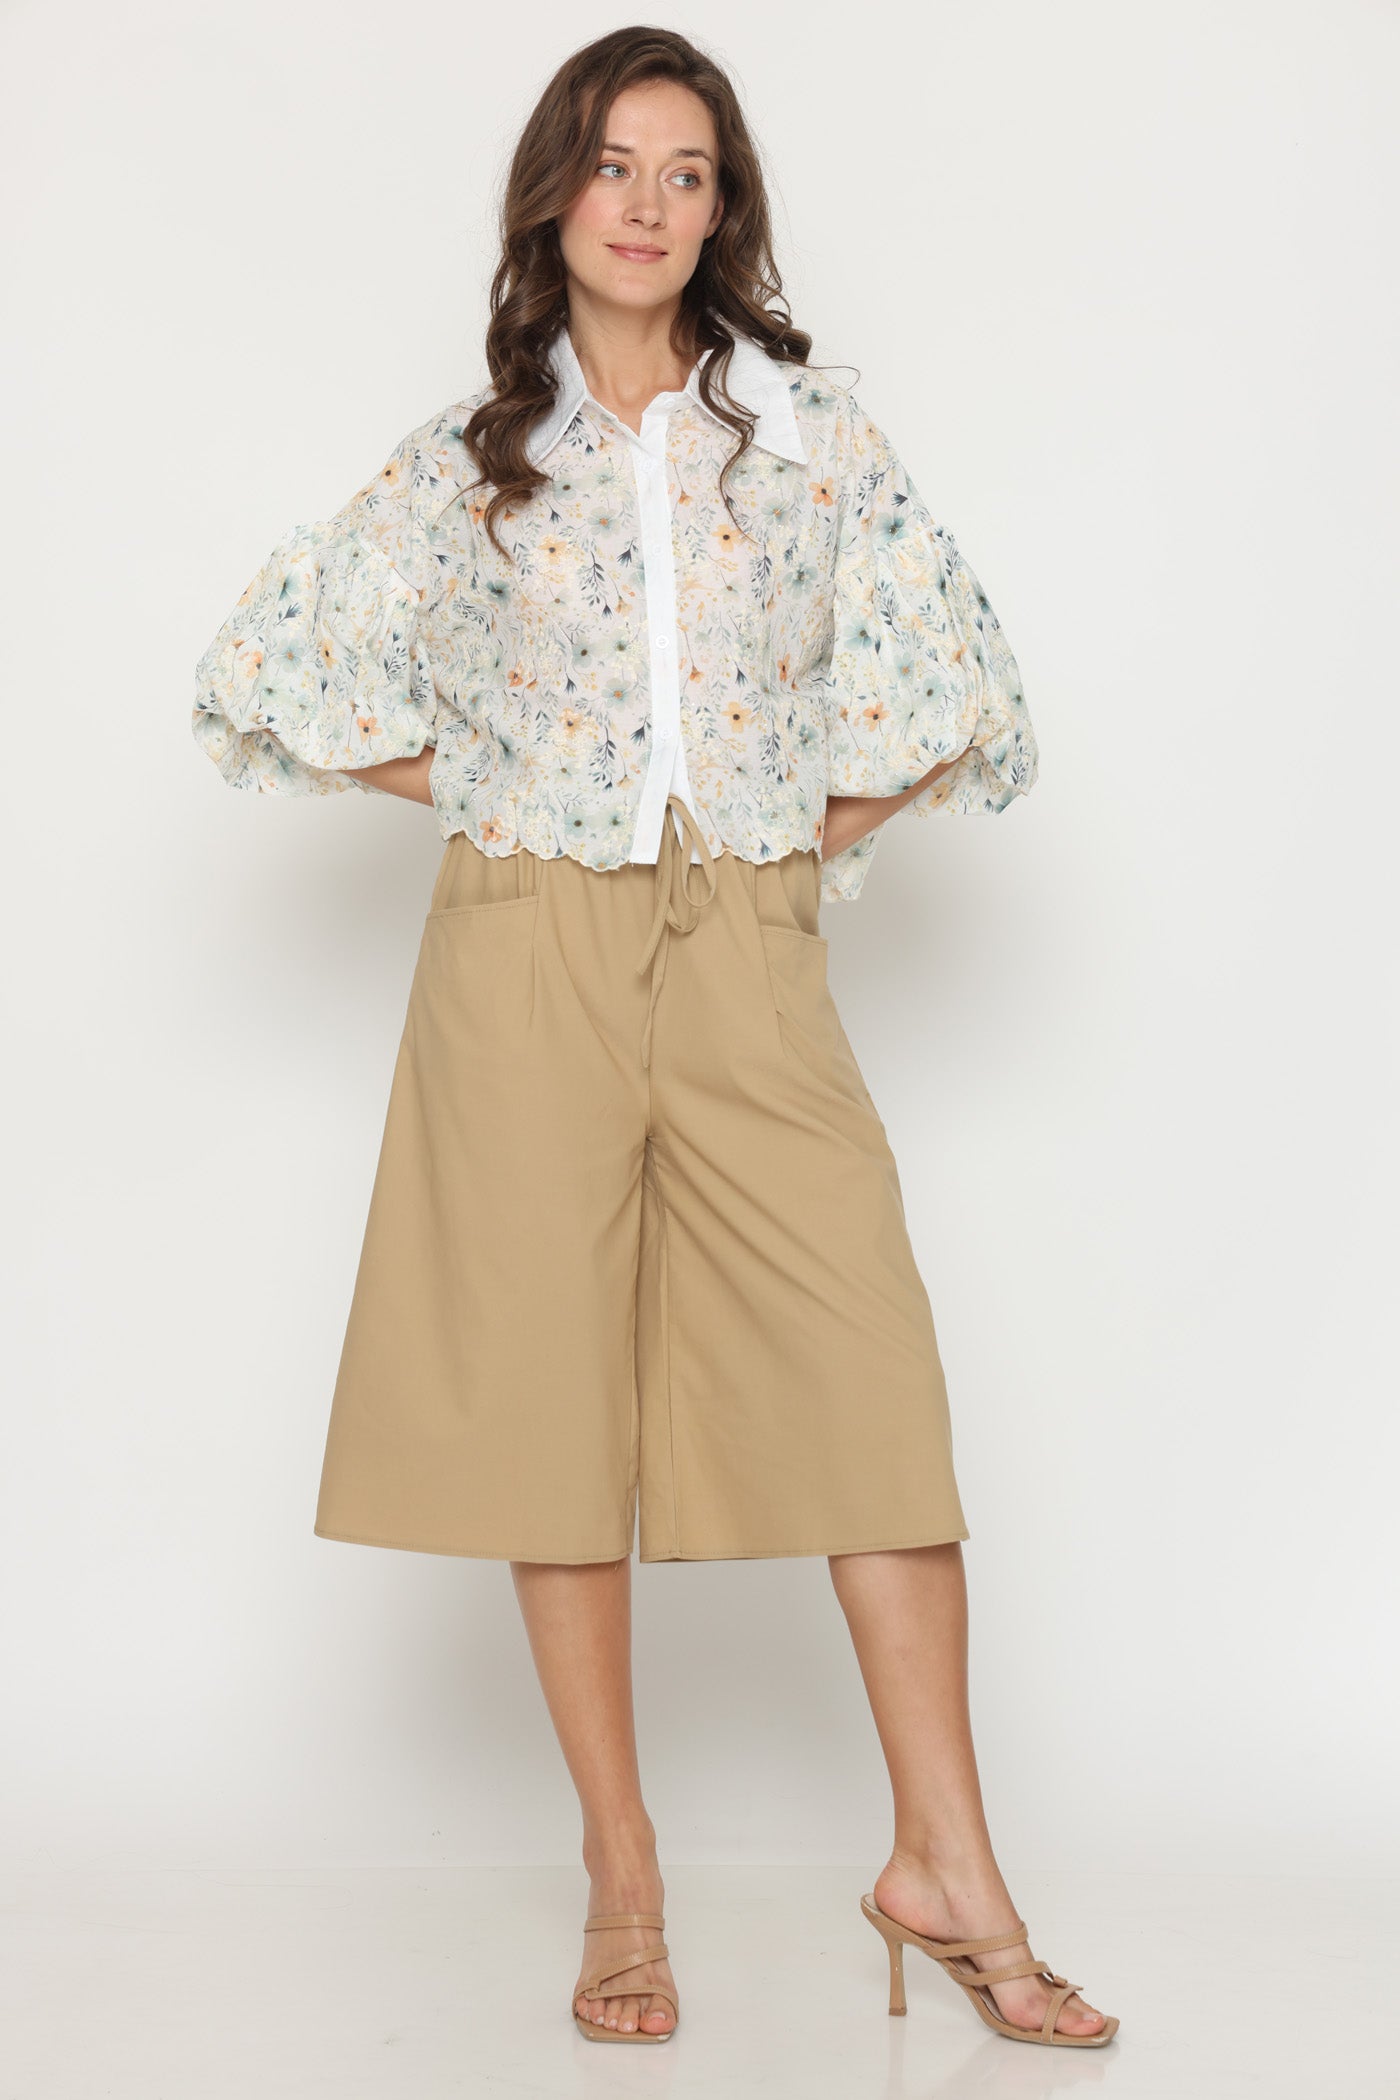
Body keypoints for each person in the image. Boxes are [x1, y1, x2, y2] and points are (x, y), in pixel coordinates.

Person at [192, 24, 1116, 2054]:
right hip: (523, 945)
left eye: (686, 173)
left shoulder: (807, 438)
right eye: (615, 164)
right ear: (556, 194)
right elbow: (268, 667)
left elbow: (954, 675)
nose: (647, 203)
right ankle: (623, 1872)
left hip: (746, 943)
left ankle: (948, 1867)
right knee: (542, 1409)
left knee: (870, 1380)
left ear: (723, 213)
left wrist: (797, 831)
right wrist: (497, 790)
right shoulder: (471, 461)